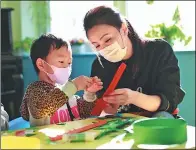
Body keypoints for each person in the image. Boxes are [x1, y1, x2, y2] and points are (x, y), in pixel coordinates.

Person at [82, 6, 185, 118]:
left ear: (124, 29)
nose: (104, 48)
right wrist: (97, 100)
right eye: (96, 45)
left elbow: (169, 101)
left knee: (162, 117)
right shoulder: (99, 65)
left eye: (108, 39)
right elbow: (100, 111)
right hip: (120, 123)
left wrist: (133, 97)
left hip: (154, 120)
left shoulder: (158, 51)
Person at [20, 34, 103, 126]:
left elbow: (84, 112)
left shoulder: (66, 91)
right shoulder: (35, 90)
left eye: (69, 63)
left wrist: (89, 93)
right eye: (61, 62)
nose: (66, 67)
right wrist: (74, 85)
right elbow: (42, 108)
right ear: (41, 64)